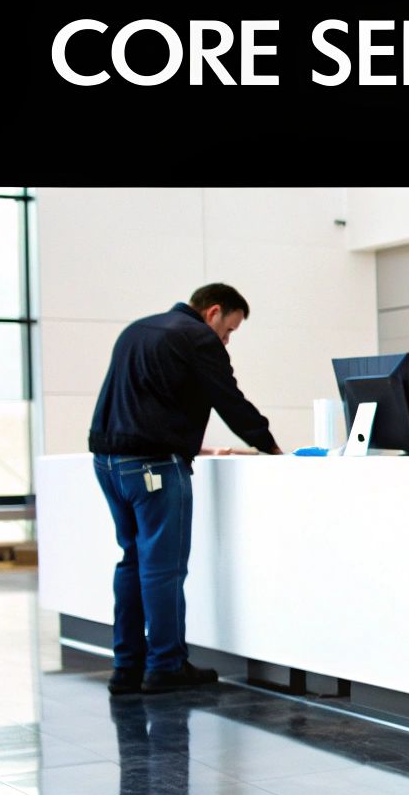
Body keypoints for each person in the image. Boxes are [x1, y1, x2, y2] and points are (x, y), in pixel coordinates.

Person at [88, 283, 281, 695]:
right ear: (213, 312)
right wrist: (270, 446)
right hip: (153, 465)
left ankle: (126, 667)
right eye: (229, 330)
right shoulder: (196, 337)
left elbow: (143, 401)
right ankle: (165, 666)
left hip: (108, 461)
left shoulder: (138, 329)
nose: (226, 340)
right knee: (163, 569)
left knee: (132, 561)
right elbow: (229, 398)